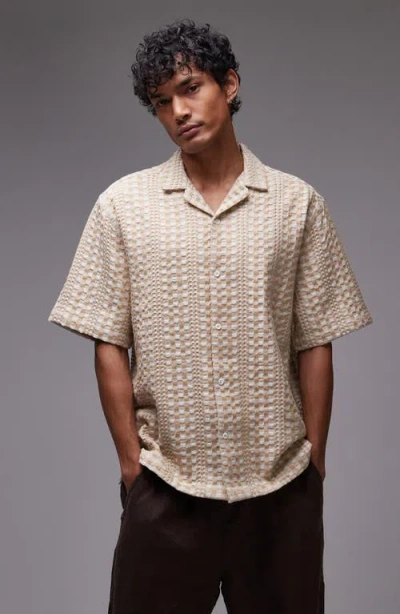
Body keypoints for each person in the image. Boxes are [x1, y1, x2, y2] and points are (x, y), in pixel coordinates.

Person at [48, 18, 373, 614]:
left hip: (281, 489)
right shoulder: (122, 206)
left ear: (229, 83)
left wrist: (314, 464)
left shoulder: (297, 204)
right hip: (165, 486)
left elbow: (316, 338)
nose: (178, 111)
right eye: (161, 101)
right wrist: (132, 468)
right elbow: (107, 342)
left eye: (190, 88)